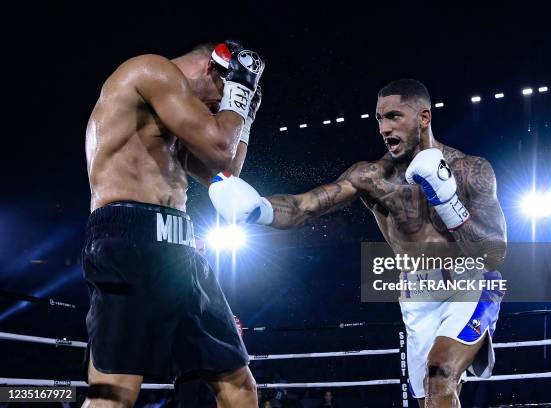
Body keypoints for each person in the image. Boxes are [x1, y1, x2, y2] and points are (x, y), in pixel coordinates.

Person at [208, 79, 507, 407]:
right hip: (416, 293)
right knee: (430, 395)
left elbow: (494, 254)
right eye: (379, 119)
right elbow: (304, 207)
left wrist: (448, 200)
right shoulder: (372, 177)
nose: (384, 127)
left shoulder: (470, 170)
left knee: (440, 373)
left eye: (394, 116)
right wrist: (258, 210)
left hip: (470, 282)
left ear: (424, 117)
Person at [82, 40, 264, 408]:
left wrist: (244, 119)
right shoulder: (151, 70)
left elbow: (224, 172)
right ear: (215, 69)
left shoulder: (175, 115)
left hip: (180, 245)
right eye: (219, 101)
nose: (218, 111)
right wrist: (237, 96)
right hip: (130, 235)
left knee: (239, 384)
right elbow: (218, 148)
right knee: (115, 394)